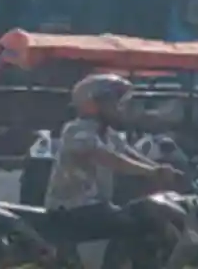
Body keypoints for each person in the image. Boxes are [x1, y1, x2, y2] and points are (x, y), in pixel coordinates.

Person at [44, 73, 184, 238]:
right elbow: (108, 158)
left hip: (97, 207)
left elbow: (130, 155)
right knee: (132, 225)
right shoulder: (76, 130)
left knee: (149, 216)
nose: (119, 108)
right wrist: (151, 172)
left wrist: (163, 170)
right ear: (92, 104)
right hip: (70, 210)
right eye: (113, 102)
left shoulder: (110, 134)